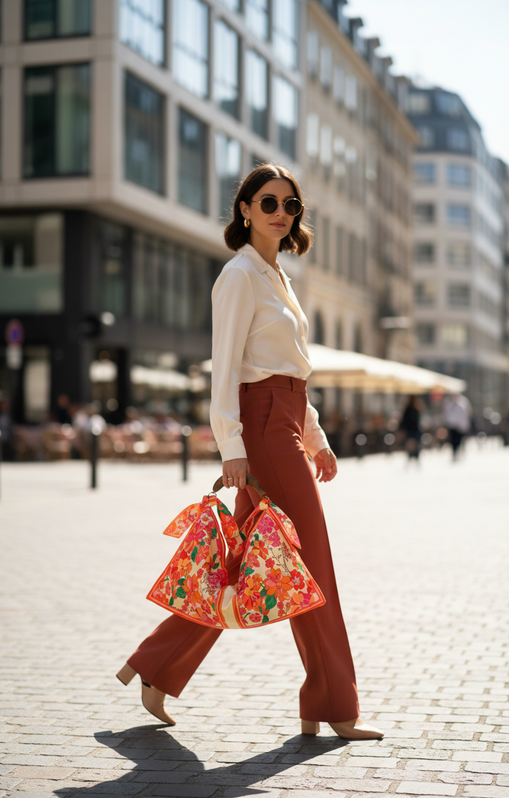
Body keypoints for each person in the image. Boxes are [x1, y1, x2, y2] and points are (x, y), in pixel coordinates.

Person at [116, 164, 383, 741]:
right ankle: (334, 704)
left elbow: (293, 374)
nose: (281, 213)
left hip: (286, 424)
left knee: (242, 562)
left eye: (290, 205)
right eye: (268, 203)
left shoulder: (279, 275)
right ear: (245, 209)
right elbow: (227, 370)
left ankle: (156, 665)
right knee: (311, 564)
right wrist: (231, 448)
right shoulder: (238, 275)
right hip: (261, 432)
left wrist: (316, 437)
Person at [442, 393, 471, 460]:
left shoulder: (463, 401)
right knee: (453, 440)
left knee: (458, 440)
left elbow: (466, 413)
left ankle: (458, 451)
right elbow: (446, 414)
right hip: (452, 425)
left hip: (460, 426)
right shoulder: (448, 402)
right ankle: (454, 452)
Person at [399, 395, 422, 461]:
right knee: (413, 444)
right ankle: (413, 456)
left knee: (412, 445)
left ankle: (413, 456)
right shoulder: (412, 409)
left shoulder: (415, 409)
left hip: (412, 430)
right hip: (412, 430)